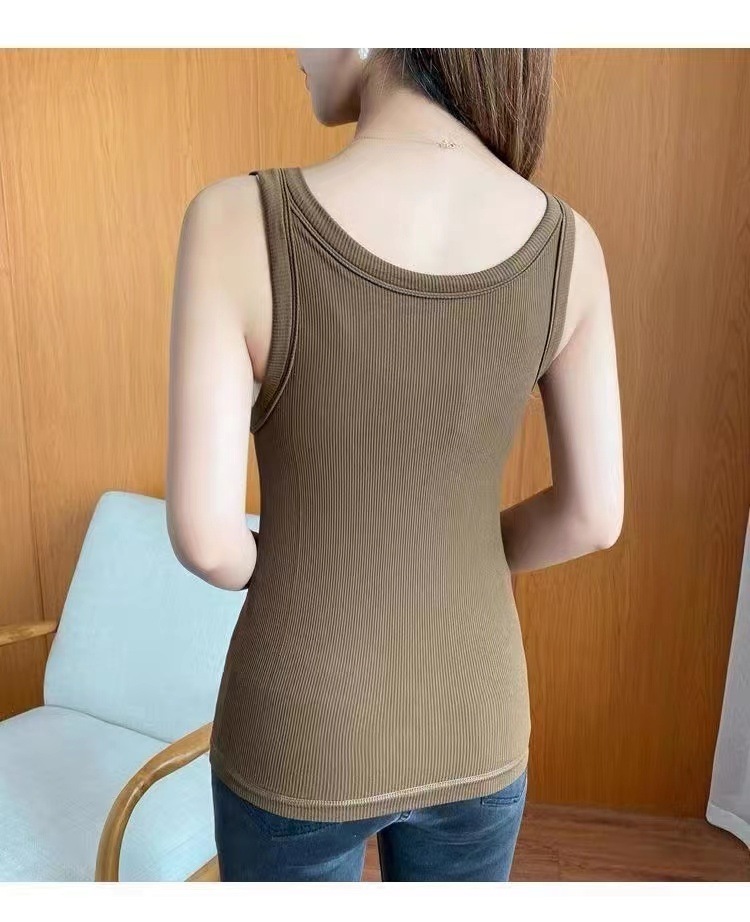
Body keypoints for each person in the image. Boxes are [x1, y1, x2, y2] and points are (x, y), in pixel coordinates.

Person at [165, 48, 624, 882]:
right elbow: (593, 517)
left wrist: (296, 566)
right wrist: (460, 556)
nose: (295, 49)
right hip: (477, 713)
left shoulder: (236, 220)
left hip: (303, 721)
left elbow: (206, 538)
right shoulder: (570, 245)